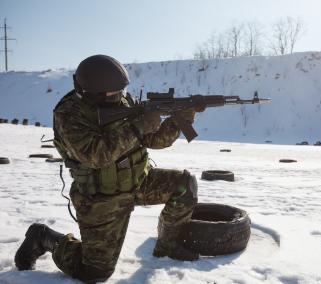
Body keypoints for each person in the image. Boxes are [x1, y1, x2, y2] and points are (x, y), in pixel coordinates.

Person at [14, 55, 202, 283]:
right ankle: (44, 238)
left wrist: (181, 118)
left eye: (121, 91)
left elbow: (156, 141)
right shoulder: (69, 114)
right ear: (91, 92)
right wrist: (139, 125)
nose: (120, 96)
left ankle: (168, 245)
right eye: (114, 93)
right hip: (102, 197)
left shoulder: (123, 102)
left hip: (138, 181)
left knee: (184, 186)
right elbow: (96, 155)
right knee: (95, 272)